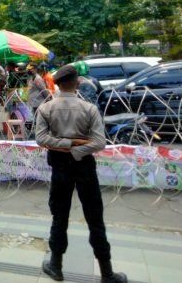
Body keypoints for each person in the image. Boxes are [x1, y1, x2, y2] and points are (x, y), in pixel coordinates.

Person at [36, 65, 127, 283]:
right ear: (77, 83)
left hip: (59, 167)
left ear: (56, 84)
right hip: (84, 166)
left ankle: (56, 266)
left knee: (59, 217)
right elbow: (99, 142)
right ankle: (107, 273)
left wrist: (66, 146)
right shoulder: (89, 109)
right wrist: (76, 147)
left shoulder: (45, 109)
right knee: (95, 218)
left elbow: (41, 139)